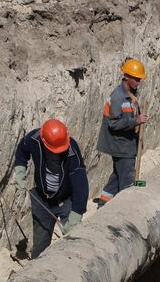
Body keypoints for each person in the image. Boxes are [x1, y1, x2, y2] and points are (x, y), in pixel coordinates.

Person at [14, 119, 88, 258]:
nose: (57, 153)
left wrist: (75, 216)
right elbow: (21, 150)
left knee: (73, 242)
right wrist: (20, 172)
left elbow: (81, 185)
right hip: (42, 200)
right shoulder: (34, 139)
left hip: (66, 201)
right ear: (43, 141)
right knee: (40, 247)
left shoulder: (72, 150)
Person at [96, 58, 149, 207]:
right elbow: (114, 124)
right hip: (121, 146)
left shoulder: (130, 94)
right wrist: (136, 121)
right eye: (136, 79)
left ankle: (103, 204)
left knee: (117, 176)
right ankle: (125, 208)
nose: (139, 82)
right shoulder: (118, 97)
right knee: (127, 179)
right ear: (127, 77)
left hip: (126, 143)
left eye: (140, 79)